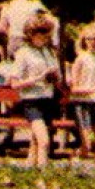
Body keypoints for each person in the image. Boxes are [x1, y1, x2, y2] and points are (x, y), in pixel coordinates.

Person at [9, 20, 62, 167]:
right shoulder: (23, 53)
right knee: (44, 140)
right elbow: (14, 83)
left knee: (35, 141)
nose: (44, 40)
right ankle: (44, 177)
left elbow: (57, 76)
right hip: (32, 100)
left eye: (46, 37)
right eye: (41, 37)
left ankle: (29, 171)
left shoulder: (49, 52)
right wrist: (38, 78)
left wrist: (56, 78)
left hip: (48, 99)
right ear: (31, 35)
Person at [67, 28, 95, 168]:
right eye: (88, 39)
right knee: (89, 141)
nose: (92, 42)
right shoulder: (81, 59)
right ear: (84, 41)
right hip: (83, 103)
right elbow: (74, 88)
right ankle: (77, 155)